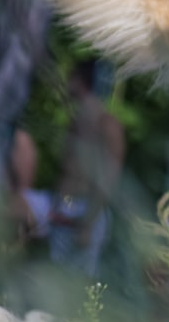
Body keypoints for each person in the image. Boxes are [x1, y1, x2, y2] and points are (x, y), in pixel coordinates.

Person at [20, 60, 125, 278]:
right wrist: (55, 208)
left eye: (72, 77)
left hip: (86, 212)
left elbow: (108, 178)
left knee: (77, 288)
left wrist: (88, 222)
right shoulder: (76, 122)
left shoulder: (107, 125)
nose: (68, 82)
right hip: (62, 208)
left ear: (82, 81)